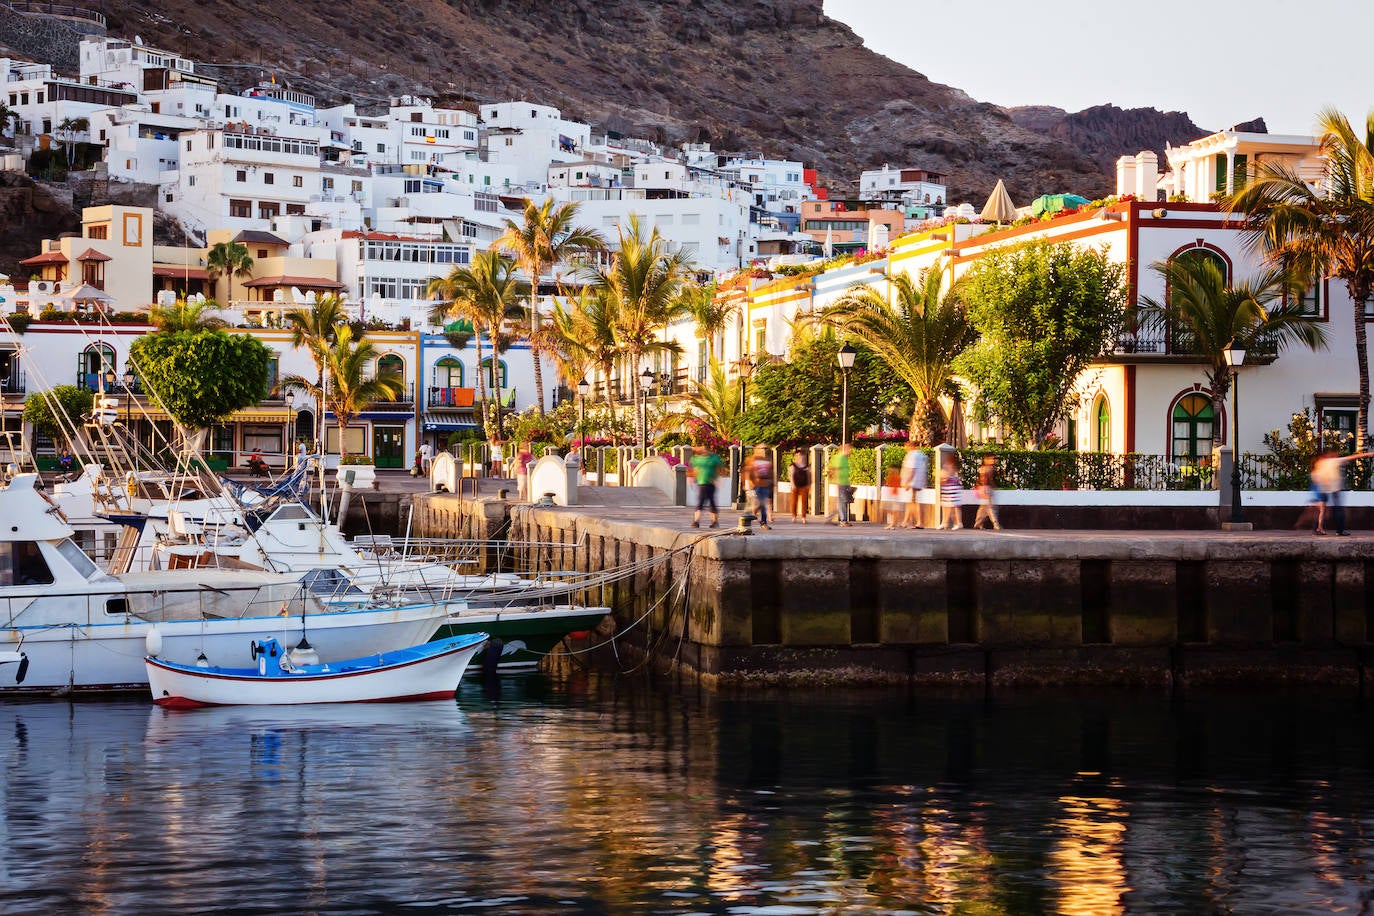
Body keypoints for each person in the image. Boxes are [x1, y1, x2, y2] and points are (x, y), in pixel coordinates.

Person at [1312, 448, 1374, 536]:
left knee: (1322, 511)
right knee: (1338, 510)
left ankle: (1317, 528)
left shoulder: (1321, 463)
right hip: (1334, 490)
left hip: (1323, 489)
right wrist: (1369, 454)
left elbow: (1316, 477)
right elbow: (1353, 457)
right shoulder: (1334, 461)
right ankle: (1340, 530)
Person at [690, 445, 723, 529]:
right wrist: (693, 478)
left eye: (705, 449)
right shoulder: (696, 459)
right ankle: (696, 521)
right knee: (701, 502)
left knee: (712, 502)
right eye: (702, 449)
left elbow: (720, 468)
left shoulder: (714, 458)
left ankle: (714, 521)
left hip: (711, 483)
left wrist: (717, 478)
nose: (704, 451)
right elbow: (694, 469)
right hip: (702, 483)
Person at [900, 441, 929, 529]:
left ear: (910, 447)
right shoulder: (922, 455)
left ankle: (919, 522)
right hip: (919, 482)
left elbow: (911, 469)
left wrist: (907, 481)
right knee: (913, 502)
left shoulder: (912, 455)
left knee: (914, 503)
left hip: (913, 482)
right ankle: (906, 521)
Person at [745, 444, 774, 530]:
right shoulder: (752, 460)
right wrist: (748, 485)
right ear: (757, 450)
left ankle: (763, 523)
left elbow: (771, 473)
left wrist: (771, 483)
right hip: (755, 485)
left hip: (765, 485)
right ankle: (746, 521)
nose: (764, 450)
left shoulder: (768, 461)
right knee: (754, 503)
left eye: (766, 448)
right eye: (762, 448)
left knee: (763, 504)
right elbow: (748, 473)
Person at [826, 443, 854, 527]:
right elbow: (833, 469)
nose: (850, 451)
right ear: (844, 449)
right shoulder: (839, 458)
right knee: (842, 502)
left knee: (842, 502)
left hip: (845, 482)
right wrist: (837, 480)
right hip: (841, 482)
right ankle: (843, 521)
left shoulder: (845, 459)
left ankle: (830, 518)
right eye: (849, 449)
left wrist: (848, 483)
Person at [972, 454, 1001, 530]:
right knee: (990, 507)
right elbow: (983, 479)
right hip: (986, 489)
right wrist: (986, 488)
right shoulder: (986, 468)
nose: (993, 460)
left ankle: (978, 523)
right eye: (991, 459)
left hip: (986, 488)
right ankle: (995, 523)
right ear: (986, 460)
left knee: (983, 507)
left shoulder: (988, 468)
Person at [938, 452, 963, 530]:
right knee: (947, 506)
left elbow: (947, 476)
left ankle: (957, 523)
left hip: (952, 490)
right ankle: (945, 522)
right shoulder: (950, 466)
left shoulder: (951, 466)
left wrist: (944, 476)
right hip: (948, 489)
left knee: (953, 507)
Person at [789, 450, 812, 524]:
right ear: (795, 456)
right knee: (794, 502)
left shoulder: (806, 466)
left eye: (801, 455)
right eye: (798, 455)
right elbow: (791, 475)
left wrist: (809, 484)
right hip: (795, 486)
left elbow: (809, 476)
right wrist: (793, 485)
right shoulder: (793, 465)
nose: (800, 457)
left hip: (804, 486)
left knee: (804, 502)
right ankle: (794, 516)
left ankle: (803, 517)